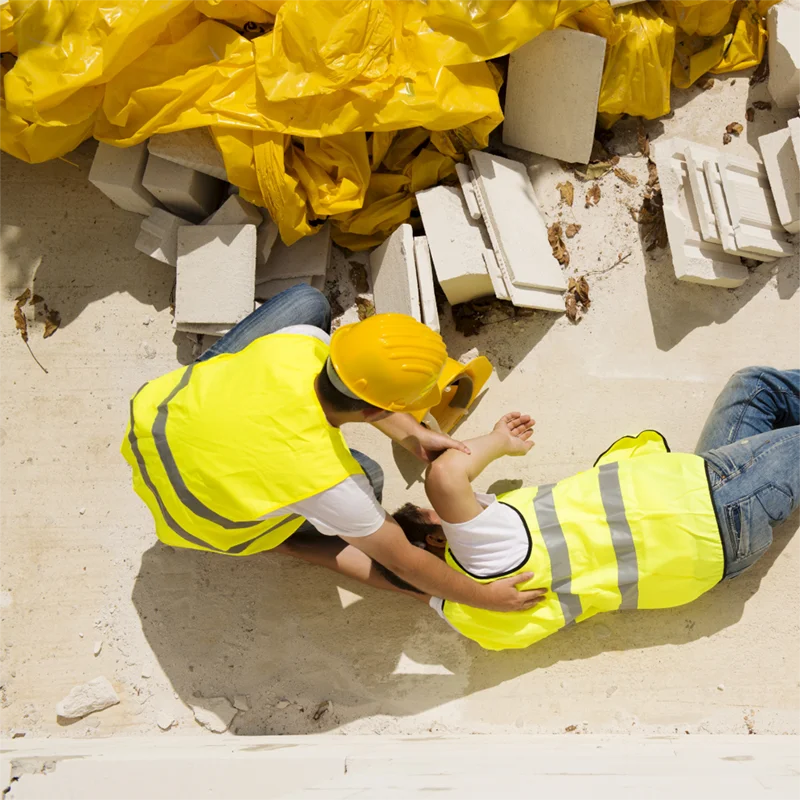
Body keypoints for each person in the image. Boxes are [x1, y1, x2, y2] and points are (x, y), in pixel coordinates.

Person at [122, 283, 542, 613]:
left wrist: (412, 433)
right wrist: (486, 598)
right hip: (198, 519)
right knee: (372, 479)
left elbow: (357, 390)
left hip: (155, 422)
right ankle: (277, 537)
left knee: (307, 302)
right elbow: (404, 564)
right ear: (378, 411)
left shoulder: (300, 343)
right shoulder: (332, 482)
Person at [388, 367, 800, 650]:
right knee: (762, 390)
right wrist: (500, 441)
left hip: (713, 560)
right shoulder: (484, 552)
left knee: (755, 389)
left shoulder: (471, 621)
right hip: (711, 503)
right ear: (438, 538)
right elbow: (444, 477)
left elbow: (398, 578)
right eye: (436, 516)